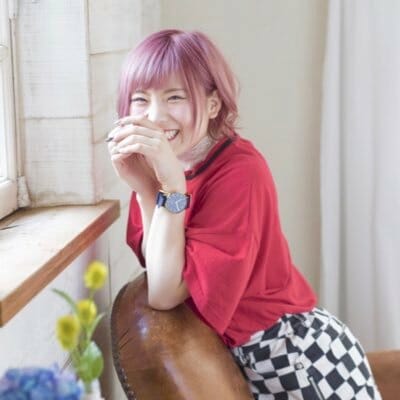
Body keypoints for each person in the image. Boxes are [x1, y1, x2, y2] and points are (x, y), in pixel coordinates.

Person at [107, 29, 381, 399]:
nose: (154, 116)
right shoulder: (163, 169)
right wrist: (145, 188)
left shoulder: (239, 172)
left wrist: (168, 187)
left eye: (175, 97)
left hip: (296, 355)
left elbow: (164, 293)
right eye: (140, 99)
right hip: (260, 360)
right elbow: (160, 273)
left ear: (214, 104)